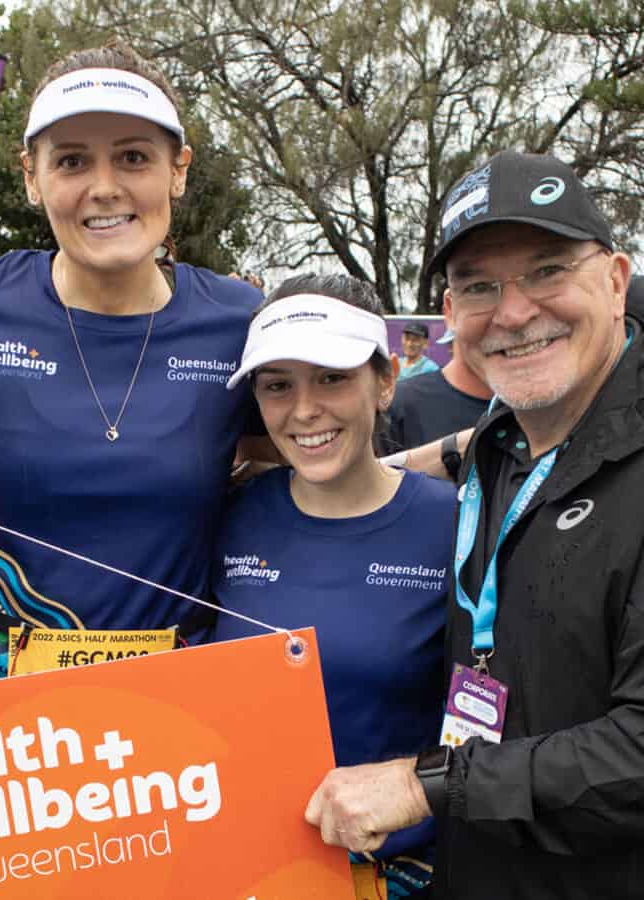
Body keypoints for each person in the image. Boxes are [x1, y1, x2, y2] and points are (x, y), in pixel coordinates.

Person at [304, 150, 644, 898]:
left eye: (547, 270)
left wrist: (427, 786)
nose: (514, 312)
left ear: (615, 282)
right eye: (480, 285)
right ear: (449, 318)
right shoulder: (499, 441)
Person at [0, 40, 267, 683]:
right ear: (31, 176)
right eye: (73, 160)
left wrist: (452, 454)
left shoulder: (236, 321)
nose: (104, 188)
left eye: (134, 158)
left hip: (179, 702)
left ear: (179, 170)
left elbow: (316, 479)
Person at [214, 274, 454, 898]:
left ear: (386, 381)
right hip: (248, 873)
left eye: (331, 377)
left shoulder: (455, 524)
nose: (304, 410)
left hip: (406, 877)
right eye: (277, 386)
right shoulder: (227, 515)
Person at [376, 307, 491, 462]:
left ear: (425, 343)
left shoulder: (430, 369)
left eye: (415, 339)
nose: (410, 343)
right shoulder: (399, 376)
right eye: (407, 338)